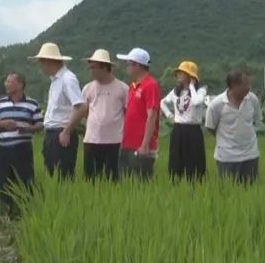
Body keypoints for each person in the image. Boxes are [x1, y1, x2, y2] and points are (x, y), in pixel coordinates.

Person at [66, 50, 127, 181]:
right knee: (91, 179)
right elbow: (83, 110)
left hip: (114, 141)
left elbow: (127, 112)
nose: (91, 71)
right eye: (90, 67)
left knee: (113, 179)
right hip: (91, 140)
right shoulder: (88, 88)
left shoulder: (122, 88)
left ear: (105, 67)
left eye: (94, 67)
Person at [0, 72, 43, 211]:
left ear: (20, 85)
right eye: (6, 81)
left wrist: (29, 129)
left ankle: (27, 212)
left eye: (10, 82)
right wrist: (3, 124)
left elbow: (40, 124)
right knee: (4, 182)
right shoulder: (0, 103)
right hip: (4, 149)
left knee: (26, 182)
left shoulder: (32, 103)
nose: (6, 84)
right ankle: (6, 214)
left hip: (23, 149)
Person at [29, 43, 84, 179]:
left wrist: (66, 131)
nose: (40, 67)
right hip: (52, 134)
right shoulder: (55, 81)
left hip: (62, 134)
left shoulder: (67, 79)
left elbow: (81, 107)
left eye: (40, 62)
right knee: (52, 175)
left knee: (62, 177)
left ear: (48, 61)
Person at [205, 69, 261, 184]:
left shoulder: (252, 99)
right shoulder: (216, 105)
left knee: (250, 194)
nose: (249, 88)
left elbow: (255, 121)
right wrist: (226, 139)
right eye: (245, 85)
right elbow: (210, 127)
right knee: (228, 195)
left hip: (250, 155)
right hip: (227, 158)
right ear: (233, 86)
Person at [160, 61, 208, 181]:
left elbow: (197, 102)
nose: (178, 76)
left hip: (193, 130)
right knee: (176, 162)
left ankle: (195, 186)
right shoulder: (176, 91)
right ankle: (176, 185)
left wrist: (191, 86)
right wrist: (169, 115)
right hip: (178, 129)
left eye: (182, 73)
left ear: (190, 76)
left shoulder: (200, 91)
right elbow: (162, 102)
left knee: (194, 163)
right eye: (178, 74)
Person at [118, 48, 160, 179]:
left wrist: (145, 144)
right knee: (125, 184)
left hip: (141, 146)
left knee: (141, 185)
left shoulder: (150, 85)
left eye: (128, 64)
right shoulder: (133, 86)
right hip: (127, 143)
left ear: (137, 65)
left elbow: (152, 115)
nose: (127, 67)